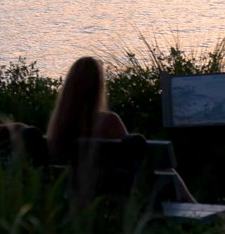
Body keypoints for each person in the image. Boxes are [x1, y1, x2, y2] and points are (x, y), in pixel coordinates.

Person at [47, 57, 194, 201]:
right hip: (113, 196)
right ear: (98, 87)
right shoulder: (109, 121)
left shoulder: (59, 125)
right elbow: (132, 158)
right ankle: (195, 207)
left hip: (72, 196)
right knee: (167, 170)